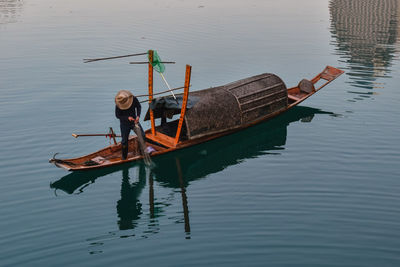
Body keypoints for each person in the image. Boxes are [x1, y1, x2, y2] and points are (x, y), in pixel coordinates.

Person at [115, 90, 146, 160]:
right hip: (124, 124)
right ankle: (124, 157)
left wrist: (138, 116)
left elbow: (139, 106)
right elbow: (117, 115)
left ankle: (141, 153)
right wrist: (127, 118)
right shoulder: (119, 103)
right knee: (124, 141)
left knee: (142, 136)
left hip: (134, 122)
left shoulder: (133, 99)